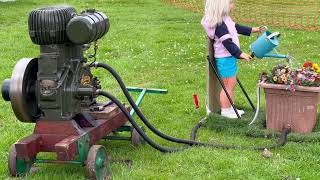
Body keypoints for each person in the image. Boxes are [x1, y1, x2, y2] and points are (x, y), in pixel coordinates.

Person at [201, 0, 262, 118]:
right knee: (228, 85)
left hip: (228, 58)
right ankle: (226, 110)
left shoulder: (225, 19)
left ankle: (230, 108)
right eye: (230, 3)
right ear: (221, 6)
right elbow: (227, 43)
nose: (233, 5)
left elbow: (235, 27)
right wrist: (240, 54)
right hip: (225, 58)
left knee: (231, 85)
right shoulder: (219, 25)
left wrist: (252, 30)